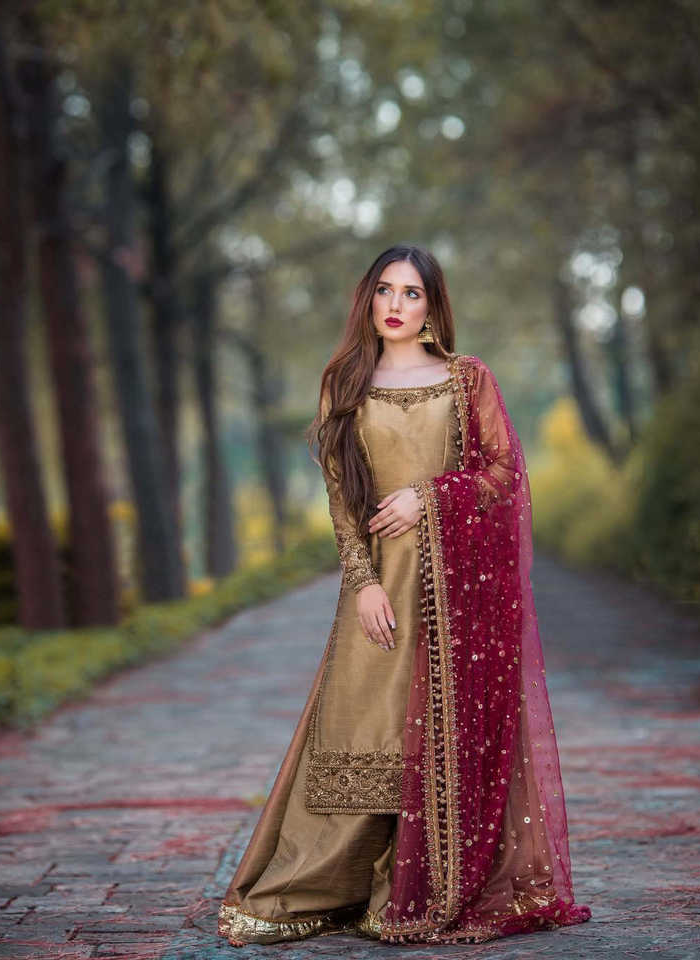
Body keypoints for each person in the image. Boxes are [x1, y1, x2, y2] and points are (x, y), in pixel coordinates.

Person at [216, 244, 591, 946]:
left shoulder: (466, 378)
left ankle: (417, 887)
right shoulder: (345, 383)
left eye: (412, 293)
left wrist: (428, 497)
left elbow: (505, 474)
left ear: (432, 305)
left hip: (458, 594)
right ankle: (326, 883)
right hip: (381, 580)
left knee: (438, 732)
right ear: (368, 299)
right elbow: (342, 498)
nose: (395, 305)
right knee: (361, 726)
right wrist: (361, 583)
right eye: (385, 290)